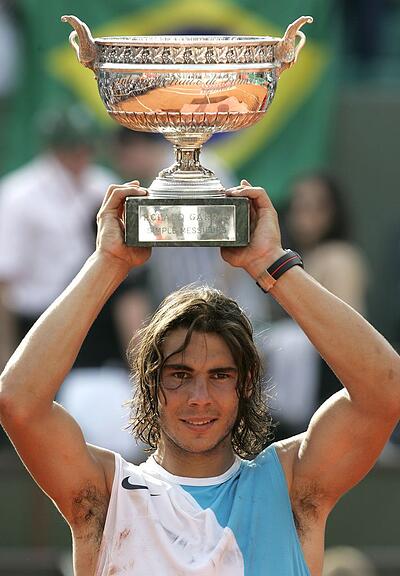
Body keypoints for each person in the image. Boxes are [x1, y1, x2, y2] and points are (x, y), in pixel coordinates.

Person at [0, 179, 399, 576]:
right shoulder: (106, 497)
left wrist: (271, 263)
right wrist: (107, 263)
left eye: (220, 375)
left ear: (246, 383)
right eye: (180, 374)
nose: (199, 397)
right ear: (151, 382)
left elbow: (387, 389)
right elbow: (18, 402)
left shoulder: (293, 488)